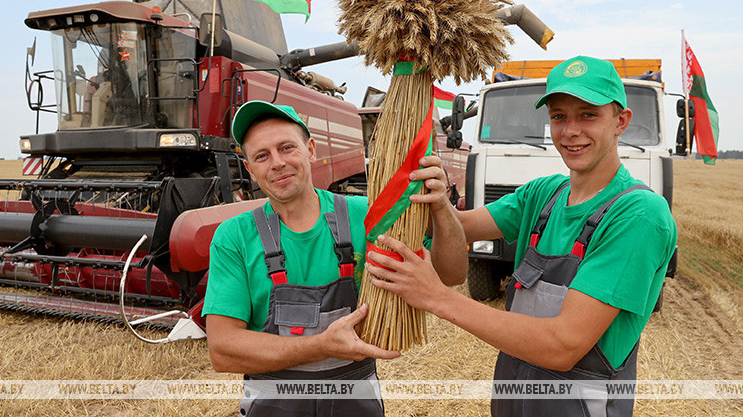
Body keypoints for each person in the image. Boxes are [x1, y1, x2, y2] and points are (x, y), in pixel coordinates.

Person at [366, 56, 678, 416]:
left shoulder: (638, 215)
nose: (570, 130)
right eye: (559, 116)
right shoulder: (544, 195)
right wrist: (435, 199)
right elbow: (461, 227)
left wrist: (436, 298)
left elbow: (563, 346)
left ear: (621, 121)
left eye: (588, 115)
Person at [202, 100, 463, 416]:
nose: (277, 163)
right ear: (250, 169)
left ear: (311, 149)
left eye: (287, 148)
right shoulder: (235, 236)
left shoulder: (365, 216)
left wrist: (441, 205)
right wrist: (321, 346)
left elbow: (452, 274)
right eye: (262, 156)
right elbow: (223, 351)